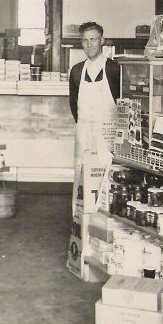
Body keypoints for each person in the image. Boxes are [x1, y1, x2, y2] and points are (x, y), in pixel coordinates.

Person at [68, 21, 120, 214]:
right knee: (81, 174)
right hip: (84, 131)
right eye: (85, 40)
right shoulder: (76, 71)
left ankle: (104, 222)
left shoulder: (114, 69)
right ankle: (80, 221)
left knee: (106, 176)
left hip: (107, 133)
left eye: (93, 39)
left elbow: (123, 103)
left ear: (102, 41)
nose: (89, 45)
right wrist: (84, 125)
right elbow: (74, 103)